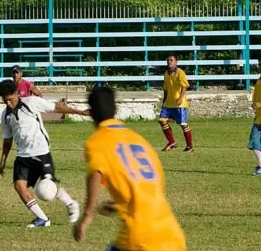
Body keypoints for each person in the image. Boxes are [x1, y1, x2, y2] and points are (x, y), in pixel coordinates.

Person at [73, 86, 187, 251]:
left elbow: (96, 173)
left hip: (140, 237)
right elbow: (153, 184)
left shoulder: (97, 142)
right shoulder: (138, 140)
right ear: (116, 109)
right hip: (171, 234)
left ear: (90, 113)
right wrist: (120, 202)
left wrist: (87, 216)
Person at [0, 79, 88, 228]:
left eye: (9, 99)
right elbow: (7, 139)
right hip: (22, 155)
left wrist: (81, 112)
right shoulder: (5, 115)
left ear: (16, 93)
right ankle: (43, 218)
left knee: (46, 191)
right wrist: (2, 161)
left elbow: (56, 107)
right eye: (4, 101)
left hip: (41, 152)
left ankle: (71, 203)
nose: (7, 103)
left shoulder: (31, 102)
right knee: (19, 186)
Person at [158, 54, 194, 152]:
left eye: (171, 60)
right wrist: (164, 101)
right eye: (168, 60)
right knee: (162, 120)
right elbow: (165, 89)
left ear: (176, 62)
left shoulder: (180, 72)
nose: (169, 62)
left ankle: (190, 146)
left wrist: (180, 98)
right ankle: (172, 142)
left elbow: (184, 86)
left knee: (183, 124)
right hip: (168, 104)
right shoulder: (166, 73)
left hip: (179, 104)